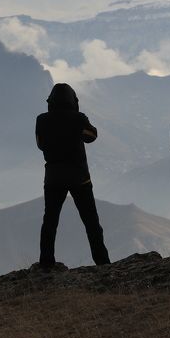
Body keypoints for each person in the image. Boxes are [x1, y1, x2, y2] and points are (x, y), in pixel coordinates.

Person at [35, 83, 111, 268]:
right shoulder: (78, 118)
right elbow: (91, 136)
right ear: (73, 100)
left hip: (53, 177)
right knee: (91, 221)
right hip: (79, 177)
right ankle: (102, 262)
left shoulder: (42, 120)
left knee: (50, 221)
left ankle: (46, 262)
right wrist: (76, 124)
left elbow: (40, 144)